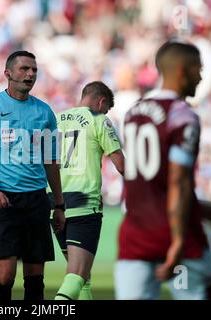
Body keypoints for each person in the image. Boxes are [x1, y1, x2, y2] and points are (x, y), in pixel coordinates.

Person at [115, 40, 211, 300]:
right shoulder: (182, 115)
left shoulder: (134, 112)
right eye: (197, 69)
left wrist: (197, 206)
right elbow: (178, 181)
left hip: (135, 233)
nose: (201, 77)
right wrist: (177, 240)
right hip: (176, 233)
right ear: (181, 71)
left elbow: (151, 180)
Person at [0, 50, 65, 301]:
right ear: (7, 74)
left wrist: (59, 204)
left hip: (35, 199)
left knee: (35, 278)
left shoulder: (44, 112)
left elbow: (51, 161)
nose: (30, 74)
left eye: (34, 70)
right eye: (24, 69)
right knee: (6, 274)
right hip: (3, 199)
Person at [48, 81, 125, 300]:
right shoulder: (99, 119)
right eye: (107, 108)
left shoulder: (55, 120)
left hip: (54, 204)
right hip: (83, 203)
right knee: (77, 275)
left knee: (84, 278)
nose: (106, 112)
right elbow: (120, 165)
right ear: (101, 102)